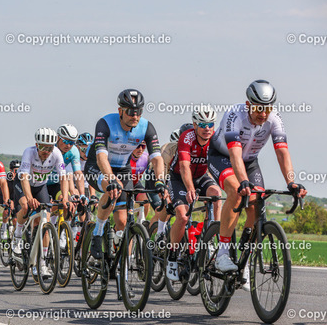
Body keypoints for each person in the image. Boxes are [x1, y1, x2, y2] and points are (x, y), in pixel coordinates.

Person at [207, 80, 306, 280]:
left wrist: (291, 182)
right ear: (248, 104)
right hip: (222, 156)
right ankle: (222, 253)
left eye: (267, 109)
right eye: (259, 108)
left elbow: (282, 153)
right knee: (236, 192)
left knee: (257, 202)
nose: (263, 114)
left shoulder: (274, 119)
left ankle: (244, 257)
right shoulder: (234, 115)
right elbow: (235, 155)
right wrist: (243, 182)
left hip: (250, 161)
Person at [83, 89, 167, 259]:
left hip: (123, 169)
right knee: (112, 189)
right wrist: (110, 178)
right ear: (120, 110)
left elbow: (157, 159)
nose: (135, 116)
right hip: (98, 166)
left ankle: (123, 261)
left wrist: (160, 181)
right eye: (130, 112)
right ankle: (97, 233)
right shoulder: (105, 123)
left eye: (138, 112)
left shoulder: (146, 127)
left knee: (123, 221)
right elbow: (101, 157)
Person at [165, 106, 222, 281]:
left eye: (210, 124)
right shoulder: (187, 137)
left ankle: (214, 236)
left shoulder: (216, 140)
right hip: (179, 178)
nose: (207, 128)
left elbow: (221, 163)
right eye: (203, 125)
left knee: (217, 195)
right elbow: (184, 167)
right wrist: (190, 189)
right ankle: (172, 255)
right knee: (183, 217)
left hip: (201, 176)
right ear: (195, 125)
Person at [13, 127, 68, 279]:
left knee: (45, 222)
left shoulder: (56, 154)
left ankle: (42, 264)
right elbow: (24, 177)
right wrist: (29, 197)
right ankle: (17, 237)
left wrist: (65, 197)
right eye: (43, 147)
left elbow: (63, 177)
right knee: (25, 206)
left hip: (40, 186)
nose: (46, 151)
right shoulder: (29, 152)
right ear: (37, 145)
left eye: (50, 148)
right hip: (23, 183)